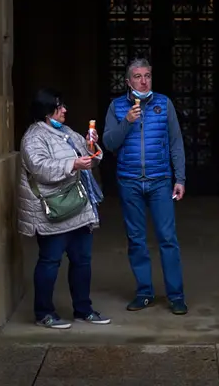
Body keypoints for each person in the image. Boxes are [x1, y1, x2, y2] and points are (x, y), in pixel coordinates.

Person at [18, 87, 109, 329]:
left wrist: (91, 149)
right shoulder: (33, 137)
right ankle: (44, 313)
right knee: (50, 261)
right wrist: (73, 163)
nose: (65, 110)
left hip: (78, 206)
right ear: (47, 112)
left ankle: (83, 309)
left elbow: (91, 161)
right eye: (60, 107)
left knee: (82, 260)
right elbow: (40, 168)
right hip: (53, 210)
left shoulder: (67, 132)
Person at [102, 58, 188, 315]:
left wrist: (180, 178)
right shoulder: (117, 107)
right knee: (136, 240)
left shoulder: (164, 104)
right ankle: (144, 293)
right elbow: (109, 143)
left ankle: (176, 296)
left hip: (160, 181)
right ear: (128, 82)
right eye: (137, 76)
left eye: (147, 75)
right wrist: (127, 120)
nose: (143, 80)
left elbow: (176, 143)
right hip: (129, 182)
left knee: (168, 239)